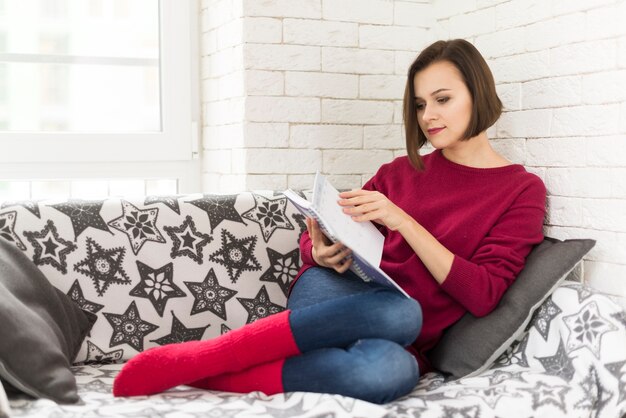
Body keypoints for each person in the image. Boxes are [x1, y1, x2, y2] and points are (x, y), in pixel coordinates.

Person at [112, 39, 546, 404]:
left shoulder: (520, 190)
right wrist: (318, 250)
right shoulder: (399, 172)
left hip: (403, 333)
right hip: (334, 292)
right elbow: (336, 228)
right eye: (419, 104)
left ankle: (205, 374)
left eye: (442, 99)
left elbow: (484, 293)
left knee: (390, 373)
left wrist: (405, 222)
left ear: (479, 93)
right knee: (402, 312)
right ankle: (210, 354)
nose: (428, 116)